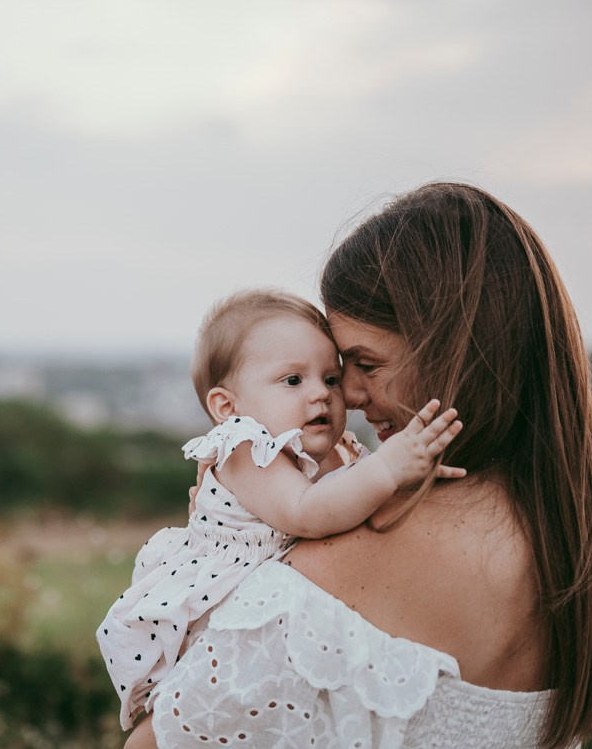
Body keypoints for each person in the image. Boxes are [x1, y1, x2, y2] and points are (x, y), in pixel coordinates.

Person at [131, 183, 592, 749]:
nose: (346, 392)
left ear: (457, 351)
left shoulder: (366, 547)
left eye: (363, 364)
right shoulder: (579, 549)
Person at [98, 289, 464, 731]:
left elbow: (358, 502)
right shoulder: (245, 449)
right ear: (227, 407)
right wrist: (389, 468)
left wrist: (409, 479)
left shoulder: (339, 450)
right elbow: (307, 511)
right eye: (293, 381)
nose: (321, 395)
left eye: (331, 379)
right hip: (221, 613)